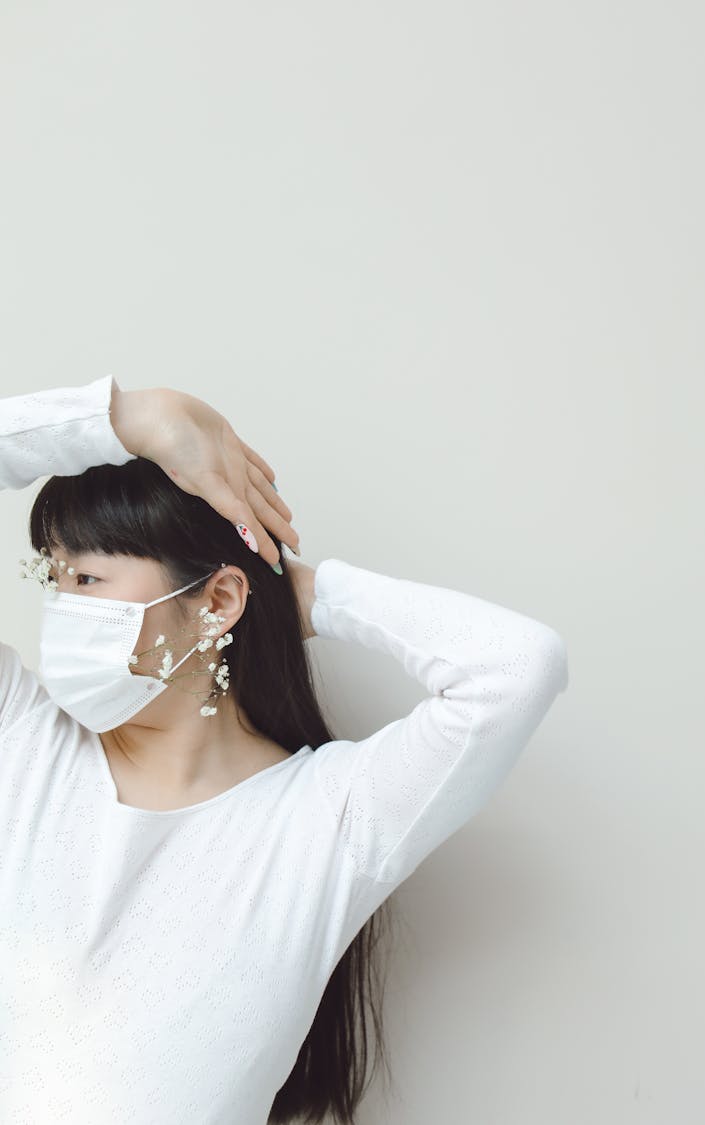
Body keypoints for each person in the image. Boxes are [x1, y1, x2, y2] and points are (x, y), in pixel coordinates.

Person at [0, 373, 569, 1125]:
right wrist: (128, 417)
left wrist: (304, 595)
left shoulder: (331, 819)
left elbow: (518, 667)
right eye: (54, 575)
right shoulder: (23, 739)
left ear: (218, 601)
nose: (61, 605)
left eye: (87, 577)